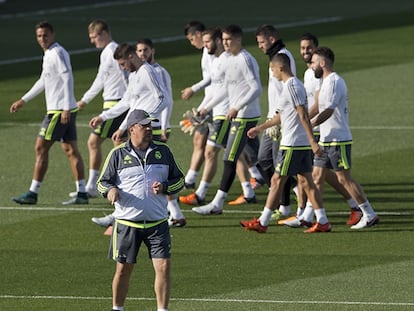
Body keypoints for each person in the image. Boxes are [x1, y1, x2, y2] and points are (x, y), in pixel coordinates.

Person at [97, 109, 184, 311]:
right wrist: (110, 191)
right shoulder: (117, 154)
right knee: (123, 270)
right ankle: (117, 308)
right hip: (127, 224)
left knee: (163, 267)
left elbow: (179, 180)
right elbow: (102, 183)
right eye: (144, 125)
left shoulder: (163, 152)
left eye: (150, 125)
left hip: (158, 223)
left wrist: (165, 188)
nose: (149, 128)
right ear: (132, 129)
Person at [240, 53, 331, 233]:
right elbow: (283, 115)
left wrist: (313, 142)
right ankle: (322, 220)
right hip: (298, 143)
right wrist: (261, 128)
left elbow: (303, 114)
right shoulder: (291, 86)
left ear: (280, 68)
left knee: (276, 180)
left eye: (272, 69)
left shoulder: (292, 86)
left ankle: (263, 222)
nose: (272, 73)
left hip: (293, 144)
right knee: (307, 183)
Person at [281, 33, 362, 228]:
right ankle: (309, 214)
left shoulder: (322, 76)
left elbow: (319, 104)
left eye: (309, 48)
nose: (305, 52)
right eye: (302, 48)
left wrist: (306, 122)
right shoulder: (310, 73)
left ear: (317, 51)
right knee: (316, 174)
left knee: (318, 175)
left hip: (320, 129)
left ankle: (355, 208)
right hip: (318, 127)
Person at [10, 21, 88, 205]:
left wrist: (67, 107)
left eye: (45, 35)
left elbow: (67, 76)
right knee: (70, 150)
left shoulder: (57, 53)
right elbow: (44, 80)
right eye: (39, 36)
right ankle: (82, 193)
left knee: (40, 147)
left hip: (59, 111)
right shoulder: (49, 54)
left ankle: (33, 192)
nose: (42, 39)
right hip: (63, 109)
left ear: (52, 35)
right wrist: (24, 99)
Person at [192, 24, 262, 215]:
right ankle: (287, 198)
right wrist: (206, 107)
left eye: (229, 39)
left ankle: (217, 203)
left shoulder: (245, 60)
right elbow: (224, 89)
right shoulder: (230, 60)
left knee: (230, 158)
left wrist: (236, 107)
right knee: (235, 158)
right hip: (237, 115)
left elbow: (256, 88)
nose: (225, 43)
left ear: (239, 39)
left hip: (245, 115)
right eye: (223, 40)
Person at [309, 47, 379, 229]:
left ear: (323, 63)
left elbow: (329, 110)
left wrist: (311, 124)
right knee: (316, 176)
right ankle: (318, 218)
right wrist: (300, 120)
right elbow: (318, 107)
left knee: (344, 179)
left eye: (314, 62)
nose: (311, 65)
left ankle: (369, 213)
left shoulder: (334, 81)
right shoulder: (324, 82)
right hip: (325, 139)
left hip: (338, 139)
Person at [69, 19, 128, 200]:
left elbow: (126, 77)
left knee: (97, 143)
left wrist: (130, 100)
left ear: (103, 34)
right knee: (120, 146)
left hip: (115, 104)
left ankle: (96, 186)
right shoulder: (107, 53)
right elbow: (101, 79)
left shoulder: (112, 52)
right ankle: (121, 184)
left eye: (94, 37)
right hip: (113, 103)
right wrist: (85, 100)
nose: (92, 41)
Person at [179, 27, 230, 205]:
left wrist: (203, 105)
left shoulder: (225, 60)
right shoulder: (215, 59)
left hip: (224, 112)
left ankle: (201, 193)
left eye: (207, 41)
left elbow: (223, 89)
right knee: (234, 153)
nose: (205, 45)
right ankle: (251, 185)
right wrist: (203, 108)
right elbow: (216, 87)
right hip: (216, 110)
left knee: (214, 151)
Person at [254, 24, 297, 217]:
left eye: (262, 42)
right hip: (273, 118)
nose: (260, 46)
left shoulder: (283, 57)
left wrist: (278, 117)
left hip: (280, 120)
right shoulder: (274, 57)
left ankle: (284, 207)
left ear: (271, 39)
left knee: (279, 165)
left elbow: (288, 88)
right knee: (264, 160)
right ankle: (295, 190)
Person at [180, 21, 213, 189]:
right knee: (200, 140)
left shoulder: (210, 52)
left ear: (200, 34)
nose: (192, 43)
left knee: (229, 148)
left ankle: (254, 178)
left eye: (192, 39)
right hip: (211, 103)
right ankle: (190, 179)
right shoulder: (207, 52)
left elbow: (214, 78)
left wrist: (193, 89)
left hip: (216, 104)